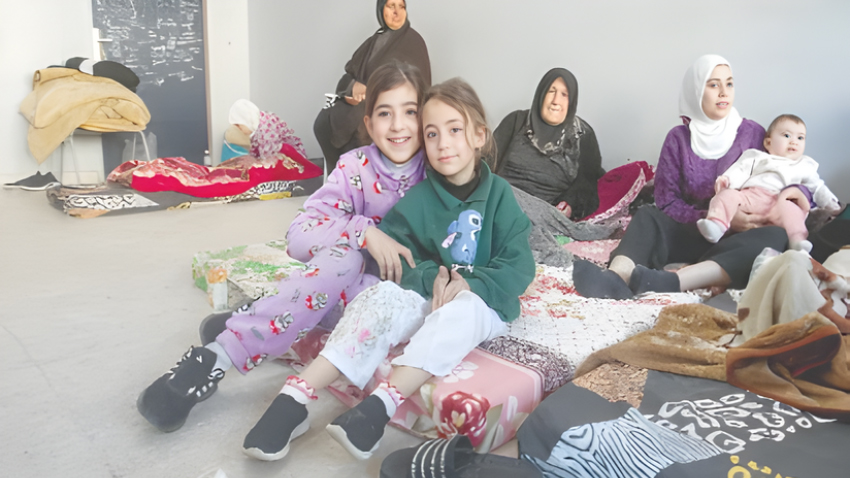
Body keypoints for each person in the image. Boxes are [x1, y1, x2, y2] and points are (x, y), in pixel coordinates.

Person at [239, 78, 535, 462]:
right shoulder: (420, 198)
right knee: (381, 296)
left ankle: (378, 408)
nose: (443, 143)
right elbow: (396, 259)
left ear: (479, 135)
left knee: (463, 310)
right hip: (429, 295)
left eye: (455, 130)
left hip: (482, 302)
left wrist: (469, 286)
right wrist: (430, 278)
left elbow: (519, 265)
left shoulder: (500, 196)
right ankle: (293, 398)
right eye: (432, 134)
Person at [136, 61, 429, 434]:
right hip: (338, 286)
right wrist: (363, 232)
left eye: (410, 112)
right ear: (369, 123)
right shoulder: (355, 167)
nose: (398, 125)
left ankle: (254, 313)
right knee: (343, 259)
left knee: (347, 287)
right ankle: (216, 357)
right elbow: (300, 236)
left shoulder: (438, 169)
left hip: (389, 302)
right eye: (385, 113)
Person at [573, 54, 795, 299]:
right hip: (694, 231)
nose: (724, 92)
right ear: (696, 90)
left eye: (729, 84)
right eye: (714, 84)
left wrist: (752, 217)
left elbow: (789, 173)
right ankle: (615, 278)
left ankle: (672, 281)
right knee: (648, 216)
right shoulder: (678, 138)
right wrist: (712, 219)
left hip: (739, 238)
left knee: (777, 236)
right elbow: (667, 201)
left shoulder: (754, 134)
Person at [489, 68, 613, 267]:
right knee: (497, 190)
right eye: (551, 91)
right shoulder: (516, 122)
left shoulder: (582, 135)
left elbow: (588, 181)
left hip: (545, 211)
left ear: (571, 101)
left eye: (564, 94)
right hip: (500, 200)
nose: (556, 100)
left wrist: (569, 203)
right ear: (541, 94)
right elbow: (487, 163)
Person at [313, 0, 431, 171]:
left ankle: (352, 177)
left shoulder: (413, 41)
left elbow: (415, 86)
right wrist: (354, 87)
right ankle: (339, 174)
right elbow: (348, 76)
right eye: (391, 6)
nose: (397, 12)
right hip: (360, 105)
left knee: (359, 126)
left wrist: (372, 92)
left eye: (402, 7)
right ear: (381, 10)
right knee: (323, 122)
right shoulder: (374, 41)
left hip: (389, 108)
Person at [697, 114, 841, 252]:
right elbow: (741, 170)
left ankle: (797, 240)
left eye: (800, 138)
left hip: (779, 203)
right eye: (787, 135)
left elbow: (818, 188)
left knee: (793, 210)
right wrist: (728, 181)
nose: (794, 141)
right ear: (768, 142)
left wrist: (833, 205)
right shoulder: (757, 157)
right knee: (726, 196)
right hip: (751, 197)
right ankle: (717, 225)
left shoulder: (804, 165)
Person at [228, 99, 307, 161]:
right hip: (277, 156)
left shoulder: (266, 129)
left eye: (239, 125)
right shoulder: (256, 125)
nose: (239, 129)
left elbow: (269, 159)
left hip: (291, 159)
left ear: (246, 120)